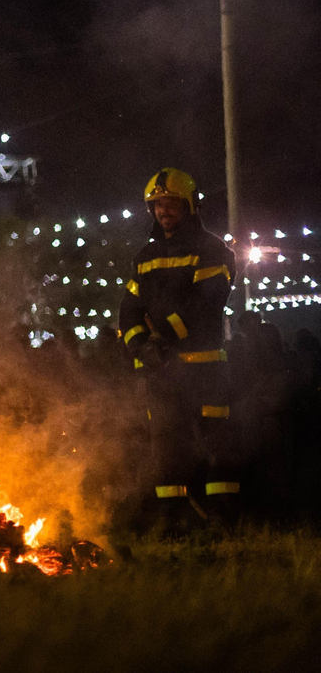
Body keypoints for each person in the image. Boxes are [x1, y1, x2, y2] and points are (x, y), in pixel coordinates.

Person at [116, 168, 238, 525]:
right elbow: (128, 310)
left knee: (215, 441)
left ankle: (222, 516)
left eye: (171, 203)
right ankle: (173, 519)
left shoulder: (212, 250)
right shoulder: (145, 257)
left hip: (204, 368)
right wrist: (140, 345)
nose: (163, 211)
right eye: (157, 205)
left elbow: (205, 304)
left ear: (189, 205)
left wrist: (161, 337)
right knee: (166, 445)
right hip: (160, 370)